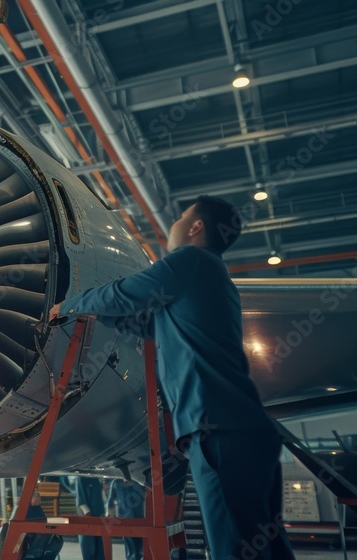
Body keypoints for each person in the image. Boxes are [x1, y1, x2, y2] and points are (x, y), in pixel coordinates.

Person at [49, 195, 294, 560]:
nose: (174, 224)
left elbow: (126, 295)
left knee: (234, 548)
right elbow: (148, 324)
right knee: (266, 547)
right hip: (245, 432)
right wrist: (98, 315)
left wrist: (67, 306)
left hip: (218, 430)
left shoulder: (191, 261)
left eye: (181, 217)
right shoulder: (213, 278)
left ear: (196, 227)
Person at [105, 479, 145, 560]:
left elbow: (145, 495)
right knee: (130, 546)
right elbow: (110, 501)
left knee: (140, 546)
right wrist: (109, 516)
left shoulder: (138, 482)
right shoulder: (116, 483)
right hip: (125, 520)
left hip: (139, 518)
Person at [73, 477, 105, 560]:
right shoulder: (81, 478)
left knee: (101, 545)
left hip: (99, 514)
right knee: (89, 545)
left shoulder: (97, 478)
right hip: (88, 516)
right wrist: (86, 512)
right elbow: (81, 498)